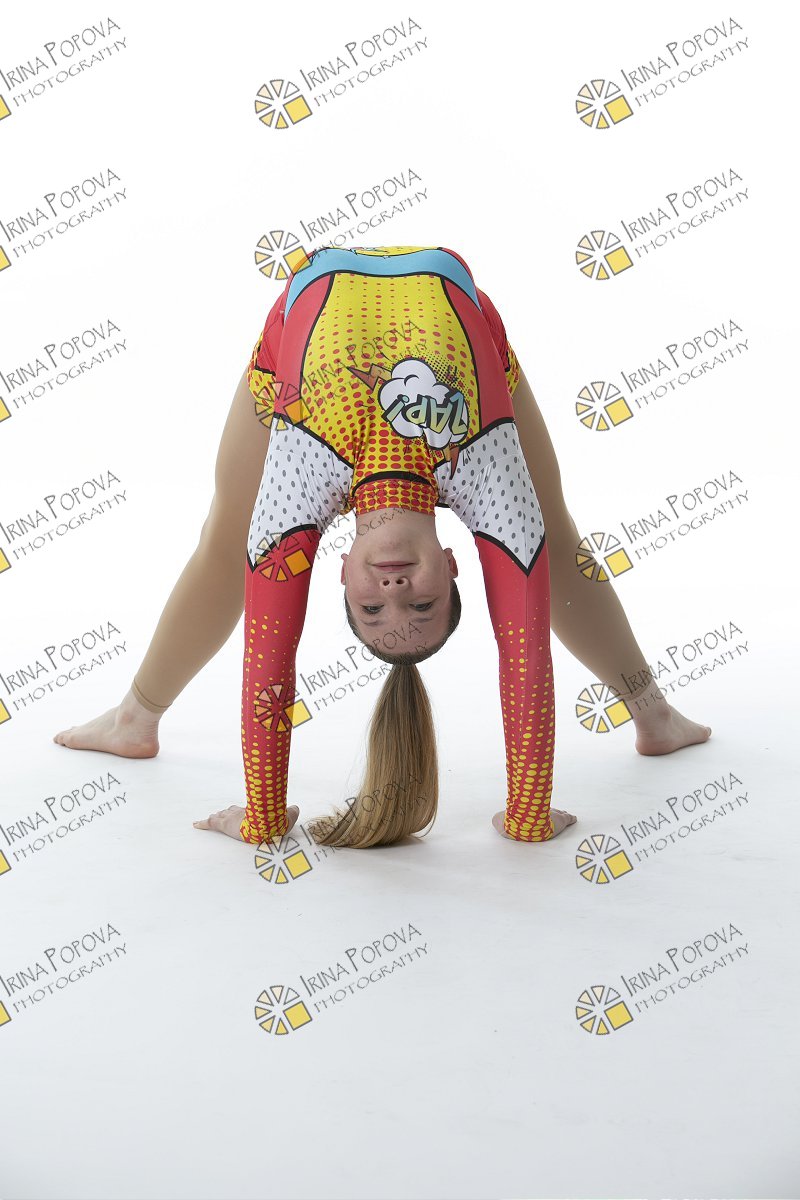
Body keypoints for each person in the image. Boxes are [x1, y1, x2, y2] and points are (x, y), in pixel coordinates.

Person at [52, 245, 711, 849]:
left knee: (230, 541)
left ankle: (134, 719)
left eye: (373, 611)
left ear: (338, 571)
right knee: (552, 539)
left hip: (301, 326)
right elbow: (526, 648)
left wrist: (261, 817)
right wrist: (529, 814)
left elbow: (269, 660)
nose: (395, 593)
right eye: (422, 606)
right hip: (467, 316)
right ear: (453, 565)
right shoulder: (482, 465)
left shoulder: (302, 478)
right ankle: (653, 712)